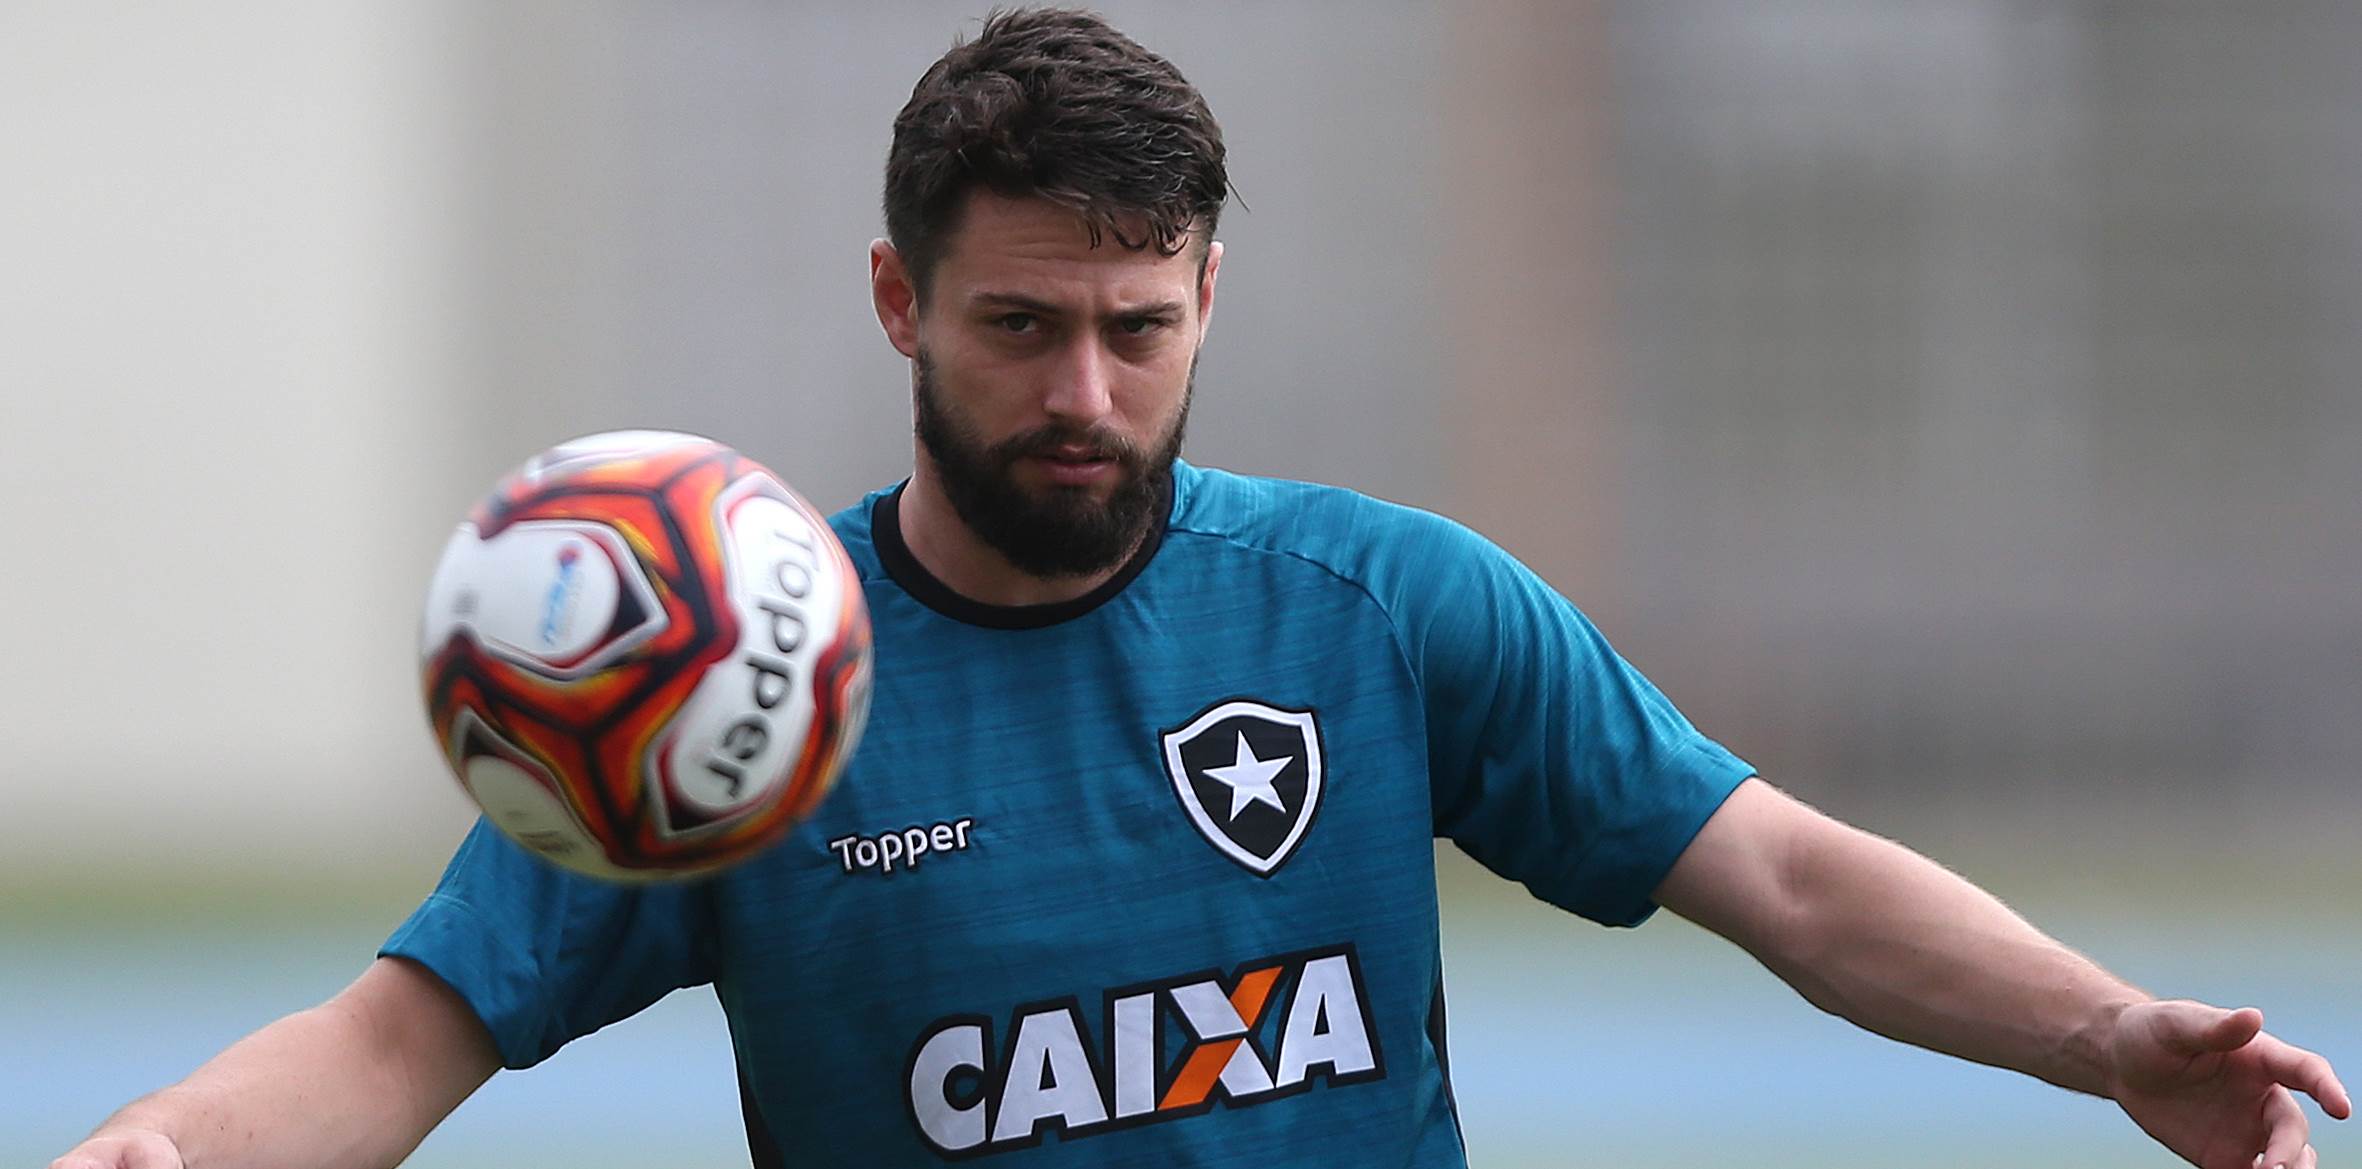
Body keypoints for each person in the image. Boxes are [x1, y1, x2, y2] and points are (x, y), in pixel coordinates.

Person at [54, 8, 2347, 1169]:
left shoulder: (1373, 609)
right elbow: (399, 1034)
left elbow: (1778, 868)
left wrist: (2095, 1034)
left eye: (1133, 330)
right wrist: (169, 1147)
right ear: (894, 302)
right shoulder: (740, 676)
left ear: (1203, 302)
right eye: (1016, 327)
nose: (1082, 389)